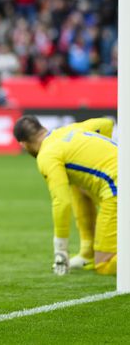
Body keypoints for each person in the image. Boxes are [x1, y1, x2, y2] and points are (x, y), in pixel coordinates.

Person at [13, 115, 117, 276]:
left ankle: (95, 256)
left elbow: (61, 202)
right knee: (76, 184)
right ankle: (87, 252)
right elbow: (107, 123)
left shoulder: (47, 155)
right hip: (118, 176)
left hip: (117, 187)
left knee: (104, 264)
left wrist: (60, 249)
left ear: (23, 144)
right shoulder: (70, 129)